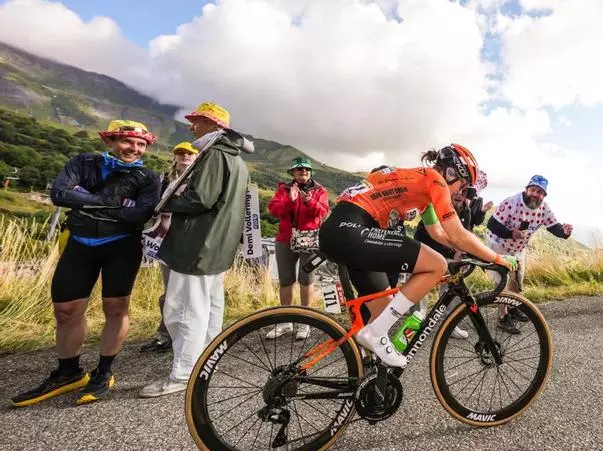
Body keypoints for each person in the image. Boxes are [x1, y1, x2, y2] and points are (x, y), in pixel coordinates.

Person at [318, 143, 516, 368]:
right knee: (437, 265)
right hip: (351, 229)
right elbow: (458, 234)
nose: (461, 194)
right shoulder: (435, 180)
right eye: (463, 187)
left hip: (344, 231)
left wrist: (472, 252)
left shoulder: (422, 186)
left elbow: (439, 234)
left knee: (383, 307)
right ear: (451, 173)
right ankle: (374, 335)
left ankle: (366, 371)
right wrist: (497, 258)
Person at [12, 120, 160, 407]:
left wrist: (84, 200)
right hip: (80, 242)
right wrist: (113, 203)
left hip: (121, 246)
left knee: (116, 308)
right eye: (127, 141)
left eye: (141, 144)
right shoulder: (82, 163)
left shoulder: (147, 177)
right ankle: (68, 372)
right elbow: (60, 194)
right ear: (110, 141)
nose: (134, 148)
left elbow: (140, 215)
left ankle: (103, 372)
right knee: (66, 310)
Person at [140, 102, 253, 398]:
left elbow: (201, 198)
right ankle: (205, 363)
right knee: (210, 308)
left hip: (197, 244)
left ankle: (183, 374)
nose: (192, 127)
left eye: (197, 122)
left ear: (213, 126)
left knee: (184, 310)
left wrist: (166, 202)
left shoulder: (214, 154)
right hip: (216, 246)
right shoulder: (237, 159)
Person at [487, 175, 573, 331]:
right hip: (499, 244)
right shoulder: (511, 203)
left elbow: (554, 227)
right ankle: (502, 317)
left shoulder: (544, 209)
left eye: (539, 192)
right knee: (503, 282)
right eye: (532, 190)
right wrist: (511, 233)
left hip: (518, 248)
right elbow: (491, 224)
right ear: (526, 190)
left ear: (544, 195)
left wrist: (565, 232)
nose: (535, 194)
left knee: (517, 280)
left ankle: (513, 307)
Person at [413, 169, 492, 338]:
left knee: (453, 288)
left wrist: (466, 254)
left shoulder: (466, 209)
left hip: (450, 255)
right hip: (427, 249)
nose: (461, 195)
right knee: (419, 289)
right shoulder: (438, 202)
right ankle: (415, 324)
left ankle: (449, 324)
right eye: (460, 190)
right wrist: (452, 251)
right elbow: (426, 234)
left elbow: (466, 232)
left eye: (466, 193)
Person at [140, 141, 199, 352]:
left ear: (197, 157)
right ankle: (166, 335)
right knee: (170, 290)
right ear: (174, 157)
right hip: (164, 240)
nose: (185, 156)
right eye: (180, 152)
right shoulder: (164, 180)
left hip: (190, 241)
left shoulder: (200, 180)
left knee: (189, 291)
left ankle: (187, 335)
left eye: (189, 153)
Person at [265, 157, 330, 339]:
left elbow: (323, 212)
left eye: (307, 169)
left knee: (306, 280)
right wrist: (291, 201)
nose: (304, 172)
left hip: (309, 239)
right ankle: (286, 322)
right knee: (286, 280)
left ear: (311, 172)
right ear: (293, 172)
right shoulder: (284, 189)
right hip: (285, 239)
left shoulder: (320, 191)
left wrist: (309, 201)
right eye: (300, 169)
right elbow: (274, 210)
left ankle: (305, 322)